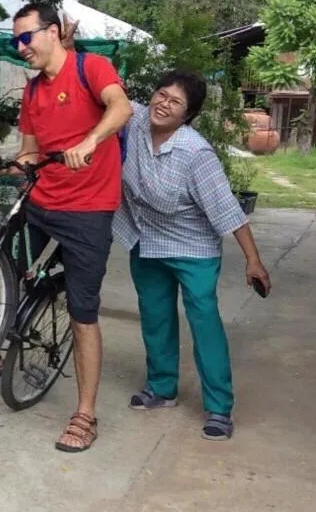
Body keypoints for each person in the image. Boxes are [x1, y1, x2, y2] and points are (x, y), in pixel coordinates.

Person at [0, 2, 132, 453]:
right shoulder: (32, 92)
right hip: (42, 201)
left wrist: (91, 140)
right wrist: (3, 164)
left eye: (26, 37)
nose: (20, 47)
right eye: (15, 41)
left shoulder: (90, 68)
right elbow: (30, 155)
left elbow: (121, 107)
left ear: (53, 31)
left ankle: (85, 414)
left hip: (89, 210)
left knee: (83, 312)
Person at [114, 69, 271, 441]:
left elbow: (227, 209)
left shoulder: (195, 153)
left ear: (188, 115)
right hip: (146, 239)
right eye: (161, 94)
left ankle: (219, 408)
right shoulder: (134, 120)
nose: (163, 104)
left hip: (192, 247)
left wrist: (253, 260)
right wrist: (68, 50)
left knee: (204, 322)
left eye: (176, 102)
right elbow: (102, 90)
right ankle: (161, 388)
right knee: (155, 317)